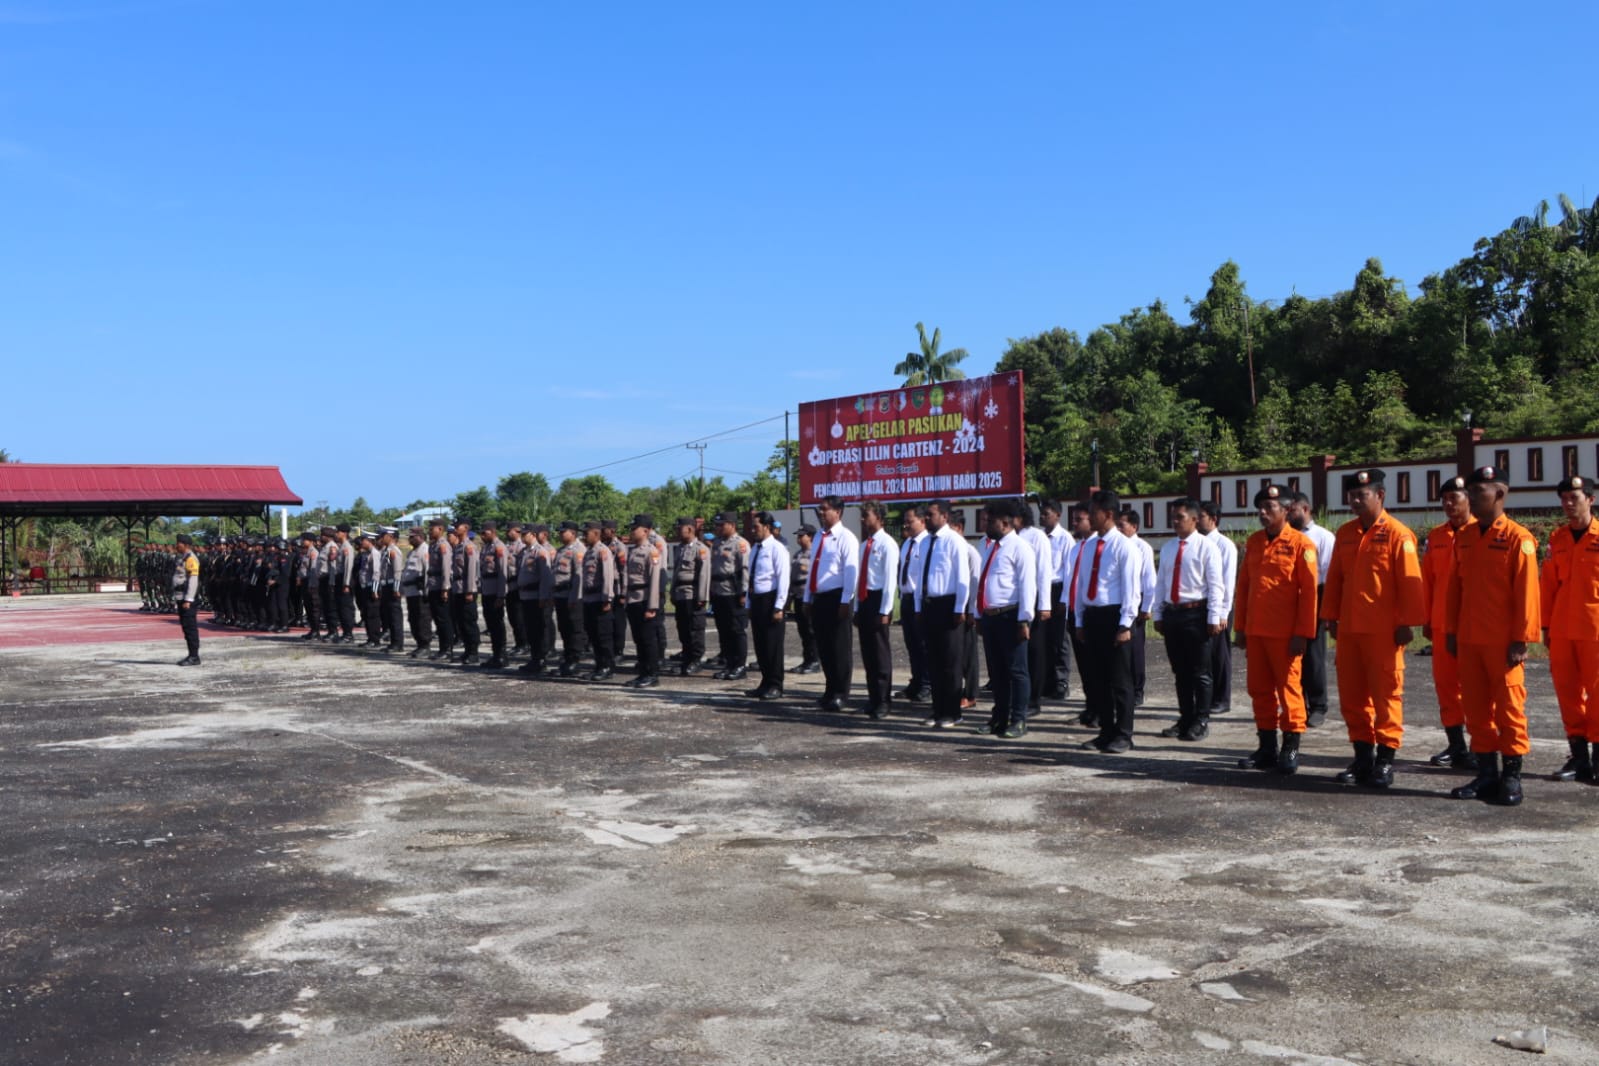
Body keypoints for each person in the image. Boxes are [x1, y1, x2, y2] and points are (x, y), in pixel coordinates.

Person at [1321, 469, 1425, 788]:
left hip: (1384, 631)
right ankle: (1363, 757)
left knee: (1386, 696)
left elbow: (1411, 585)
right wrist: (1330, 617)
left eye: (1361, 495)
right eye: (1351, 495)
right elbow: (1335, 579)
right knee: (1353, 697)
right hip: (1350, 630)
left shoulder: (1398, 534)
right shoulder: (1345, 533)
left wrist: (1407, 623)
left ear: (1380, 495)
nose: (1354, 500)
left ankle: (1385, 761)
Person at [1445, 465, 1541, 805]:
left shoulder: (1518, 538)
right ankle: (1486, 773)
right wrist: (1451, 630)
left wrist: (1521, 639)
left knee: (1509, 708)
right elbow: (1455, 589)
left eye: (1477, 491)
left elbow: (1527, 593)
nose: (1470, 497)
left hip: (1503, 642)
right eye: (1469, 491)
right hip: (1470, 637)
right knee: (1475, 709)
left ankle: (1512, 777)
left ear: (1499, 494)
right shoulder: (1465, 536)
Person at [1233, 485, 1320, 774]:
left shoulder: (1301, 544)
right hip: (1257, 631)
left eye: (1269, 507)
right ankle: (1266, 747)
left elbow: (1309, 594)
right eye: (1260, 507)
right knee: (1259, 691)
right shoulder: (1254, 542)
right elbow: (1244, 587)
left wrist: (1302, 633)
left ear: (1286, 510)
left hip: (1285, 635)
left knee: (1289, 691)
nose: (1263, 512)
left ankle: (1290, 748)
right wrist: (1240, 627)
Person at [1073, 491, 1144, 752]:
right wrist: (1080, 620)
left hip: (1115, 617)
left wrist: (1125, 625)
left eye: (1094, 513)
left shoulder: (1124, 546)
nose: (1090, 517)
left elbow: (1131, 589)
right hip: (1093, 616)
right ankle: (1106, 731)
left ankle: (1124, 734)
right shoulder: (1090, 546)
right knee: (1098, 679)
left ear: (1109, 514)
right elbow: (1082, 584)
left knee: (1120, 680)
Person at [1542, 475, 1599, 783]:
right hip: (1562, 629)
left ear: (1590, 499)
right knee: (1567, 693)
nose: (1567, 504)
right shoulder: (1558, 539)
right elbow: (1548, 585)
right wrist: (1545, 626)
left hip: (1594, 629)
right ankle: (1579, 757)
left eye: (1574, 498)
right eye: (1564, 499)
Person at [1153, 498, 1225, 741]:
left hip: (1196, 614)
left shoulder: (1207, 547)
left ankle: (1201, 720)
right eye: (1173, 517)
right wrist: (1158, 613)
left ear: (1194, 520)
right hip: (1173, 613)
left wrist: (1214, 616)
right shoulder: (1168, 548)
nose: (1175, 521)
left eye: (1180, 517)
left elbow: (1216, 585)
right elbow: (1161, 583)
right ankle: (1185, 717)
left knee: (1200, 671)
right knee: (1180, 671)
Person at [1420, 476, 1476, 769]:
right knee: (1446, 687)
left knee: (1477, 688)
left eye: (1454, 498)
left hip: (1474, 625)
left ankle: (1481, 746)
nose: (1448, 504)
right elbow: (1427, 581)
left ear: (1469, 499)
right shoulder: (1437, 537)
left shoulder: (1481, 533)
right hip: (1442, 624)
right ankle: (1456, 745)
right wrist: (1426, 618)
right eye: (1444, 499)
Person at [976, 499, 1037, 739]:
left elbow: (1027, 586)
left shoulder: (1020, 548)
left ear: (1004, 523)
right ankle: (999, 718)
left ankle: (1019, 719)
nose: (986, 525)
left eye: (990, 521)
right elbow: (984, 583)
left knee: (1017, 671)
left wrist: (1024, 620)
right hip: (991, 617)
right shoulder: (992, 547)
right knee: (997, 671)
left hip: (1011, 616)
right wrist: (979, 614)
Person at [803, 495, 860, 713]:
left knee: (840, 647)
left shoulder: (846, 537)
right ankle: (829, 690)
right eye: (819, 509)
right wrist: (808, 597)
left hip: (838, 597)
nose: (820, 513)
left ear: (838, 512)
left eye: (825, 509)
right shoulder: (819, 536)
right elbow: (813, 569)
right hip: (820, 597)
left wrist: (846, 600)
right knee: (824, 647)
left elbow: (851, 572)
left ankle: (841, 694)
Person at [917, 500, 972, 728]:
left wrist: (960, 607)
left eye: (931, 514)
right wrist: (919, 606)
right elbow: (920, 575)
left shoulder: (954, 541)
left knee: (950, 661)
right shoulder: (925, 542)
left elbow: (963, 577)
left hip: (948, 605)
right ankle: (938, 709)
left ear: (944, 517)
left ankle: (952, 712)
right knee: (934, 660)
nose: (926, 518)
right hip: (929, 604)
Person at [1286, 492, 1336, 727]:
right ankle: (1297, 703)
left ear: (1305, 509)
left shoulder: (1323, 537)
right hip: (1289, 598)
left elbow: (1329, 574)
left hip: (1316, 594)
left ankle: (1318, 705)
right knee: (1291, 653)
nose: (1288, 514)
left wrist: (1327, 610)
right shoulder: (1286, 536)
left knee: (1314, 654)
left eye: (1292, 509)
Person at [855, 500, 900, 719]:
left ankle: (883, 700)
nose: (863, 519)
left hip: (878, 599)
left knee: (880, 653)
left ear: (879, 518)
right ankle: (873, 697)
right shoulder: (864, 545)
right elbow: (859, 578)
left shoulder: (887, 544)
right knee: (868, 653)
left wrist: (885, 610)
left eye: (867, 515)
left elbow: (890, 580)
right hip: (865, 599)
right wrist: (857, 606)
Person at [1014, 503, 1055, 718]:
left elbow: (1044, 572)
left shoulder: (1036, 537)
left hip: (1034, 598)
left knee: (1034, 651)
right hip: (1014, 600)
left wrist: (1044, 605)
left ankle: (1034, 699)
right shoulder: (1008, 538)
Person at [1196, 502, 1237, 715]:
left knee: (1219, 654)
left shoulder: (1224, 545)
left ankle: (1222, 698)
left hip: (1219, 607)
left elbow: (1227, 581)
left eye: (1201, 516)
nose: (1197, 520)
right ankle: (1206, 696)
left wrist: (1222, 612)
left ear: (1213, 519)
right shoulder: (1196, 543)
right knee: (1203, 655)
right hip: (1201, 605)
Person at [745, 510, 791, 700]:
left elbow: (783, 579)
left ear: (767, 527)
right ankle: (765, 682)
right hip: (757, 599)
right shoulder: (755, 549)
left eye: (756, 526)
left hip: (771, 600)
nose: (753, 530)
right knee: (761, 644)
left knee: (773, 645)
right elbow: (751, 577)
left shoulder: (777, 548)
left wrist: (779, 606)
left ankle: (775, 684)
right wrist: (749, 602)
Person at [1114, 507, 1157, 707]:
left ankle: (1138, 690)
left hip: (1136, 600)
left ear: (1134, 526)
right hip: (1118, 600)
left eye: (1121, 525)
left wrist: (1147, 607)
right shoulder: (1115, 545)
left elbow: (1149, 579)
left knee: (1135, 649)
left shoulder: (1142, 547)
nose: (1118, 529)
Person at [621, 515, 666, 688]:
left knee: (648, 640)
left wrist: (652, 606)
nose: (632, 532)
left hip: (645, 600)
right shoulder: (633, 550)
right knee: (639, 639)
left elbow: (655, 580)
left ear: (645, 531)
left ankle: (652, 674)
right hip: (633, 600)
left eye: (635, 529)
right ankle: (642, 673)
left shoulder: (651, 551)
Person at [709, 513, 752, 681]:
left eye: (721, 525)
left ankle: (739, 666)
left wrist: (743, 594)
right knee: (724, 630)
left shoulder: (741, 544)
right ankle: (728, 664)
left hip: (734, 593)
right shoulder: (717, 543)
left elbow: (745, 570)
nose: (718, 528)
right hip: (719, 592)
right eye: (717, 525)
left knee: (736, 631)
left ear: (732, 525)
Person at [1039, 501, 1073, 700]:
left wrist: (1064, 599)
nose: (1042, 517)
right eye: (1041, 514)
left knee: (1060, 638)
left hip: (1057, 589)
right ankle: (1047, 680)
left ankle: (1061, 681)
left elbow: (1068, 571)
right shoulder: (1039, 537)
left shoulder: (1064, 538)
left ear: (1058, 515)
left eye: (1046, 514)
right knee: (1043, 638)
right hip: (1042, 589)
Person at [897, 507, 931, 703]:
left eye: (910, 521)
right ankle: (916, 681)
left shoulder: (926, 543)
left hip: (920, 600)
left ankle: (927, 684)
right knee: (911, 644)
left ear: (922, 521)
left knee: (923, 644)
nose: (906, 525)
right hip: (907, 598)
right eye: (905, 521)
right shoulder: (907, 544)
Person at [671, 517, 712, 675]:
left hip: (693, 594)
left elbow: (704, 574)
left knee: (695, 629)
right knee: (683, 629)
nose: (677, 531)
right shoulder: (680, 548)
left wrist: (702, 597)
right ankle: (686, 659)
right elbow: (676, 573)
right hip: (681, 594)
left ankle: (696, 660)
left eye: (679, 528)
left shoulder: (701, 549)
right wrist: (672, 592)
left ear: (689, 529)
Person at [579, 521, 616, 681]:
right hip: (589, 599)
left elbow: (608, 576)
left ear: (595, 533)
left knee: (603, 636)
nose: (584, 536)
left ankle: (607, 667)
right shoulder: (589, 552)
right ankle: (599, 666)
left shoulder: (603, 551)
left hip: (600, 599)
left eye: (586, 533)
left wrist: (607, 598)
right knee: (594, 635)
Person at [517, 525, 555, 675]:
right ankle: (534, 658)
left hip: (536, 596)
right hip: (526, 596)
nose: (522, 536)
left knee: (539, 629)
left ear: (533, 534)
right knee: (530, 630)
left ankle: (541, 660)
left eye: (524, 534)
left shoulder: (540, 552)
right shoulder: (525, 552)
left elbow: (546, 577)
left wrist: (544, 597)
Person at [552, 521, 586, 676]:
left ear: (572, 533)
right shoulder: (561, 550)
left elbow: (579, 576)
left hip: (571, 596)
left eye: (562, 532)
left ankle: (574, 661)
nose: (560, 534)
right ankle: (567, 659)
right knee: (564, 629)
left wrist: (575, 598)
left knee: (574, 630)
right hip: (560, 595)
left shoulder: (578, 550)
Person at [476, 520, 509, 668]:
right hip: (487, 591)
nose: (482, 535)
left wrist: (501, 595)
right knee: (490, 624)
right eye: (481, 533)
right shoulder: (486, 548)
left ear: (493, 532)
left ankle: (501, 655)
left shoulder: (499, 547)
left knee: (497, 625)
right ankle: (496, 655)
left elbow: (502, 572)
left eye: (485, 533)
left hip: (495, 592)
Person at [788, 524, 819, 673]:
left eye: (802, 536)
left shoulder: (815, 554)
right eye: (798, 536)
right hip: (797, 596)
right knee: (803, 631)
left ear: (810, 537)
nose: (799, 538)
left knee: (811, 630)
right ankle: (807, 660)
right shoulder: (798, 554)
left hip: (809, 598)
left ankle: (814, 661)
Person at [452, 518, 482, 665]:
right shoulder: (458, 546)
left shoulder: (469, 547)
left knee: (469, 622)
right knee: (461, 622)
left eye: (458, 526)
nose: (455, 528)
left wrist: (469, 590)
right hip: (458, 588)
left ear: (466, 528)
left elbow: (471, 570)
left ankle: (473, 653)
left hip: (466, 589)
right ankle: (467, 651)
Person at [425, 518, 455, 660]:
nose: (429, 531)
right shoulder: (433, 545)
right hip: (433, 585)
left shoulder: (443, 545)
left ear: (440, 529)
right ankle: (442, 648)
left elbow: (446, 568)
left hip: (441, 587)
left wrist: (445, 588)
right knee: (437, 619)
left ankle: (447, 649)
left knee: (444, 619)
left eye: (432, 529)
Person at [400, 527, 432, 657]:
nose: (410, 539)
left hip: (419, 592)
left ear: (420, 537)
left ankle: (425, 646)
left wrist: (426, 591)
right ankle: (419, 645)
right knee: (413, 619)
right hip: (410, 592)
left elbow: (427, 572)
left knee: (422, 619)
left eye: (412, 537)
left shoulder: (425, 550)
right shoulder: (412, 552)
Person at [172, 533, 202, 665]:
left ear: (186, 545)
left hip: (187, 599)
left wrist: (189, 599)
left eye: (179, 543)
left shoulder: (191, 559)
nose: (176, 545)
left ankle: (194, 656)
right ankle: (191, 654)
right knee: (186, 627)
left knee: (190, 627)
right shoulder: (183, 558)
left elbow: (193, 580)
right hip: (181, 597)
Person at [376, 527, 405, 652]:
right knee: (389, 616)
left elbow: (397, 571)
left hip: (393, 586)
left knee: (395, 616)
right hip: (386, 586)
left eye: (383, 535)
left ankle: (398, 643)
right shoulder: (386, 550)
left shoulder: (394, 551)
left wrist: (396, 588)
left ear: (391, 536)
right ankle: (393, 642)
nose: (381, 538)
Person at [354, 529, 382, 646]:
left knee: (372, 615)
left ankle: (374, 640)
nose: (362, 542)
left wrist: (374, 590)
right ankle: (370, 638)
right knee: (366, 614)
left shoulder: (375, 554)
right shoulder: (366, 553)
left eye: (364, 540)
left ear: (370, 541)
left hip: (371, 588)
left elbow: (376, 573)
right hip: (364, 587)